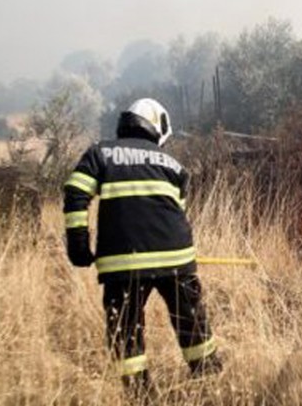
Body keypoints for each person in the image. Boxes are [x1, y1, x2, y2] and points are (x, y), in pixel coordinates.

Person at [62, 98, 221, 398]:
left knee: (125, 329)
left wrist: (78, 244)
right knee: (191, 323)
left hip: (123, 263)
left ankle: (140, 396)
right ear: (157, 127)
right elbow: (177, 212)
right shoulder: (175, 166)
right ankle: (211, 384)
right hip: (176, 257)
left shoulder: (100, 153)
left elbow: (75, 192)